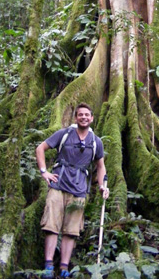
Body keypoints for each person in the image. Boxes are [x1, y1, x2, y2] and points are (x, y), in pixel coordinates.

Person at [36, 103, 109, 278]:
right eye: (80, 115)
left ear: (91, 118)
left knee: (71, 230)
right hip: (58, 185)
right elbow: (40, 148)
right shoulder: (65, 134)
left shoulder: (95, 142)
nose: (84, 117)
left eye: (87, 115)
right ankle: (47, 266)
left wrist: (102, 185)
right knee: (52, 226)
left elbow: (100, 166)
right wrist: (44, 172)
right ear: (76, 118)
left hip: (79, 189)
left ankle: (63, 268)